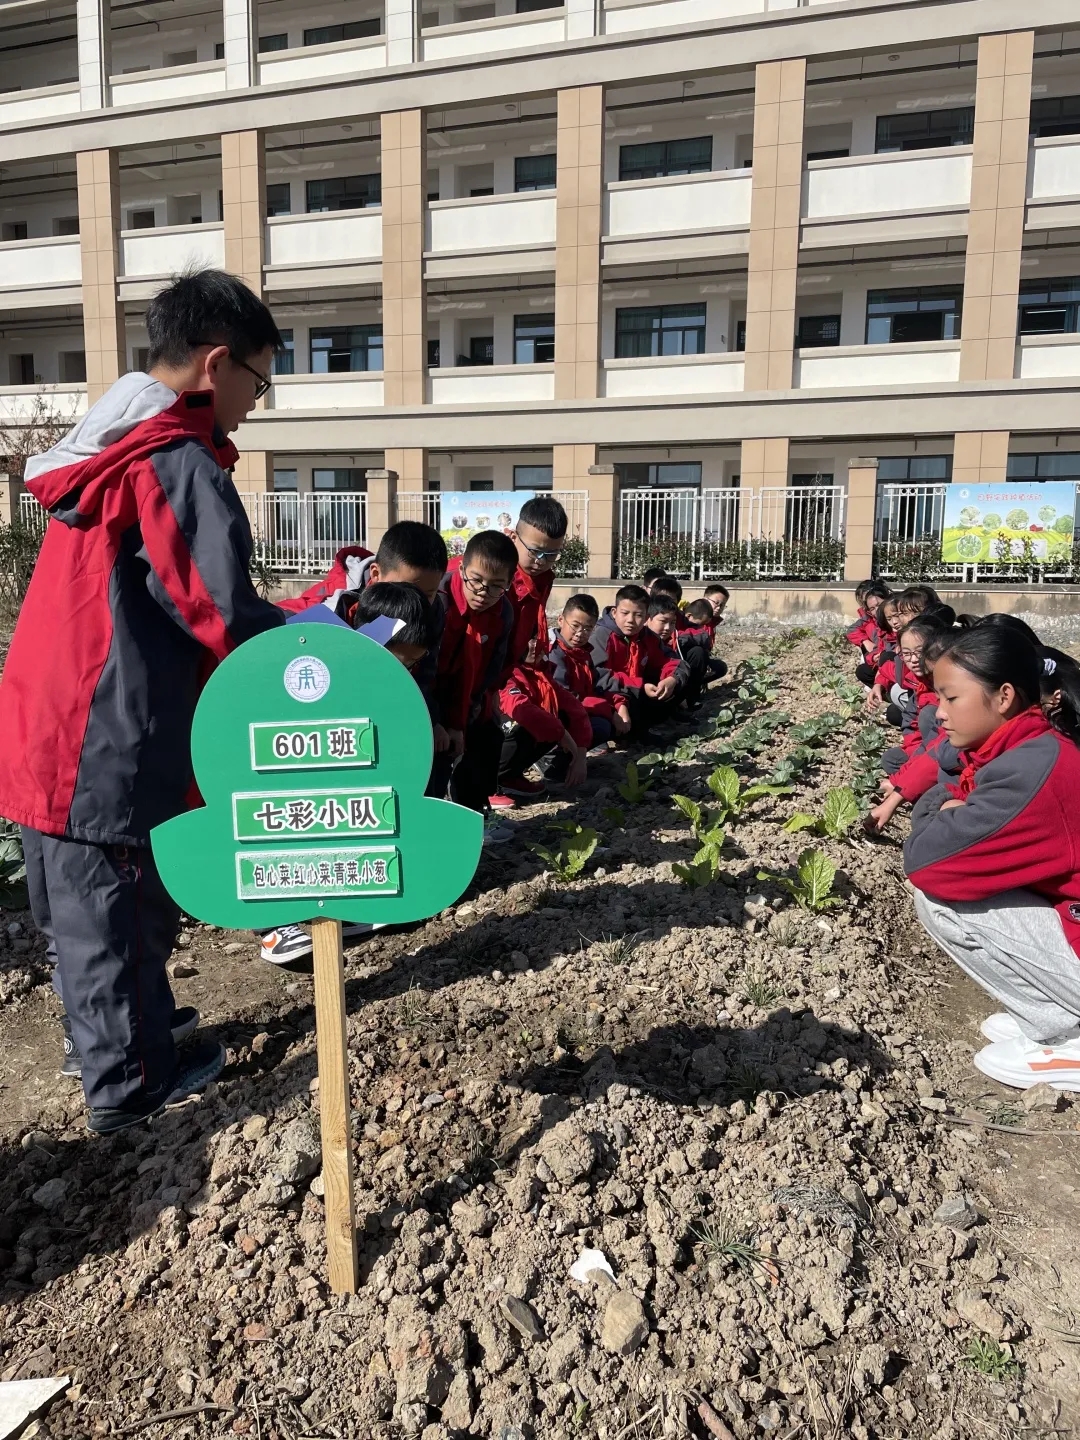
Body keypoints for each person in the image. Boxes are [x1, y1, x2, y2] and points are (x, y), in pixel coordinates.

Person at [0, 267, 286, 1134]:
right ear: (215, 362)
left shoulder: (104, 445)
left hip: (50, 722)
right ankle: (127, 1087)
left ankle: (131, 1036)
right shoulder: (172, 456)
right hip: (106, 735)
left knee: (92, 910)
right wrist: (308, 647)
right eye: (258, 381)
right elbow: (215, 605)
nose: (254, 402)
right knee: (114, 912)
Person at [260, 526, 449, 965]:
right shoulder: (315, 623)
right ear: (377, 578)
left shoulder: (419, 620)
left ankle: (362, 899)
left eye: (429, 595)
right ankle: (275, 921)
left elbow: (419, 678)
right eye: (412, 592)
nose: (421, 604)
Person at [903, 626, 1080, 1090]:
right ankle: (1051, 1014)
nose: (939, 713)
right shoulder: (1025, 748)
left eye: (951, 698)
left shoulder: (1030, 771)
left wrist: (941, 812)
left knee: (940, 899)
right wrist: (945, 809)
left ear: (1003, 696)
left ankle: (1067, 1041)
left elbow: (926, 863)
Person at [429, 530, 517, 820]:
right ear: (462, 568)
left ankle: (473, 814)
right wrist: (440, 721)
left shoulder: (503, 611)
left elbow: (491, 669)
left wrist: (467, 716)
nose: (483, 592)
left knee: (489, 733)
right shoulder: (437, 600)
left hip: (467, 691)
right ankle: (431, 820)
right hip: (427, 692)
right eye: (476, 580)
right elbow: (421, 667)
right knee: (439, 753)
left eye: (496, 586)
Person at [494, 636, 592, 801]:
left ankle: (510, 777)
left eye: (537, 640)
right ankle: (489, 786)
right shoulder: (506, 673)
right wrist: (561, 733)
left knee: (561, 715)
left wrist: (580, 756)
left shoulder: (541, 674)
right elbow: (519, 708)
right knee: (519, 724)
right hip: (487, 740)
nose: (533, 646)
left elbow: (575, 709)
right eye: (528, 640)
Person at [590, 586, 683, 738]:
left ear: (647, 618)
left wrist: (671, 679)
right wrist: (627, 697)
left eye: (638, 615)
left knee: (676, 684)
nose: (631, 621)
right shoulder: (602, 636)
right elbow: (599, 678)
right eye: (625, 613)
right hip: (609, 697)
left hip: (633, 690)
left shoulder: (647, 636)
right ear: (614, 613)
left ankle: (642, 730)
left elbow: (673, 661)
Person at [548, 594, 622, 751]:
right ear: (561, 620)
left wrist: (618, 705)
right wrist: (606, 710)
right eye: (575, 625)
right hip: (560, 715)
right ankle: (552, 755)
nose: (580, 634)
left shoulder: (584, 653)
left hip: (581, 709)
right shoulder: (554, 653)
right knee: (602, 726)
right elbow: (562, 698)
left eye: (588, 629)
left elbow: (596, 684)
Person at [505, 496, 568, 670]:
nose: (541, 561)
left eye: (551, 554)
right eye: (535, 551)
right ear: (512, 537)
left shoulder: (542, 579)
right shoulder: (498, 579)